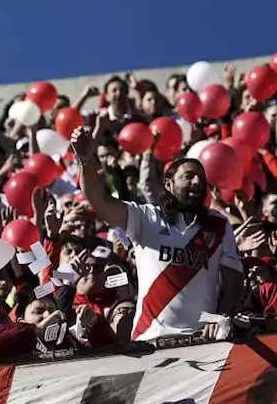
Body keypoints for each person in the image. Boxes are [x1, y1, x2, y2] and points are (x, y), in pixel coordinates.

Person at [71, 125, 243, 341]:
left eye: (200, 178)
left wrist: (221, 316)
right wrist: (85, 162)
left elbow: (233, 281)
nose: (197, 182)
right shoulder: (145, 217)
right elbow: (100, 201)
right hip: (150, 341)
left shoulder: (219, 225)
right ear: (169, 185)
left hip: (202, 342)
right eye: (188, 176)